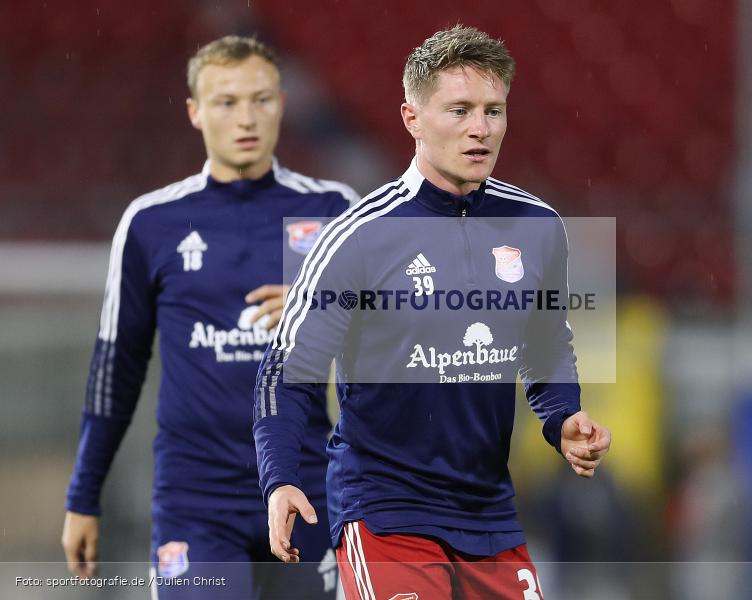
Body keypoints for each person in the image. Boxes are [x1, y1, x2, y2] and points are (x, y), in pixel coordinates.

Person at [253, 25, 611, 599]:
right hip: (386, 511)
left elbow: (546, 346)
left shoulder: (537, 227)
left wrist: (563, 417)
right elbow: (286, 369)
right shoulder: (358, 236)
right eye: (460, 110)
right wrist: (280, 479)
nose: (481, 128)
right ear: (412, 118)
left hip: (489, 512)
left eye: (494, 111)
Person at [61, 36, 357, 599]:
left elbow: (391, 344)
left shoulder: (331, 211)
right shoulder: (152, 222)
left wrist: (325, 305)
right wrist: (83, 495)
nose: (246, 118)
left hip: (305, 492)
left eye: (261, 99)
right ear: (195, 111)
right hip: (195, 501)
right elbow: (116, 371)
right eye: (226, 102)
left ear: (282, 104)